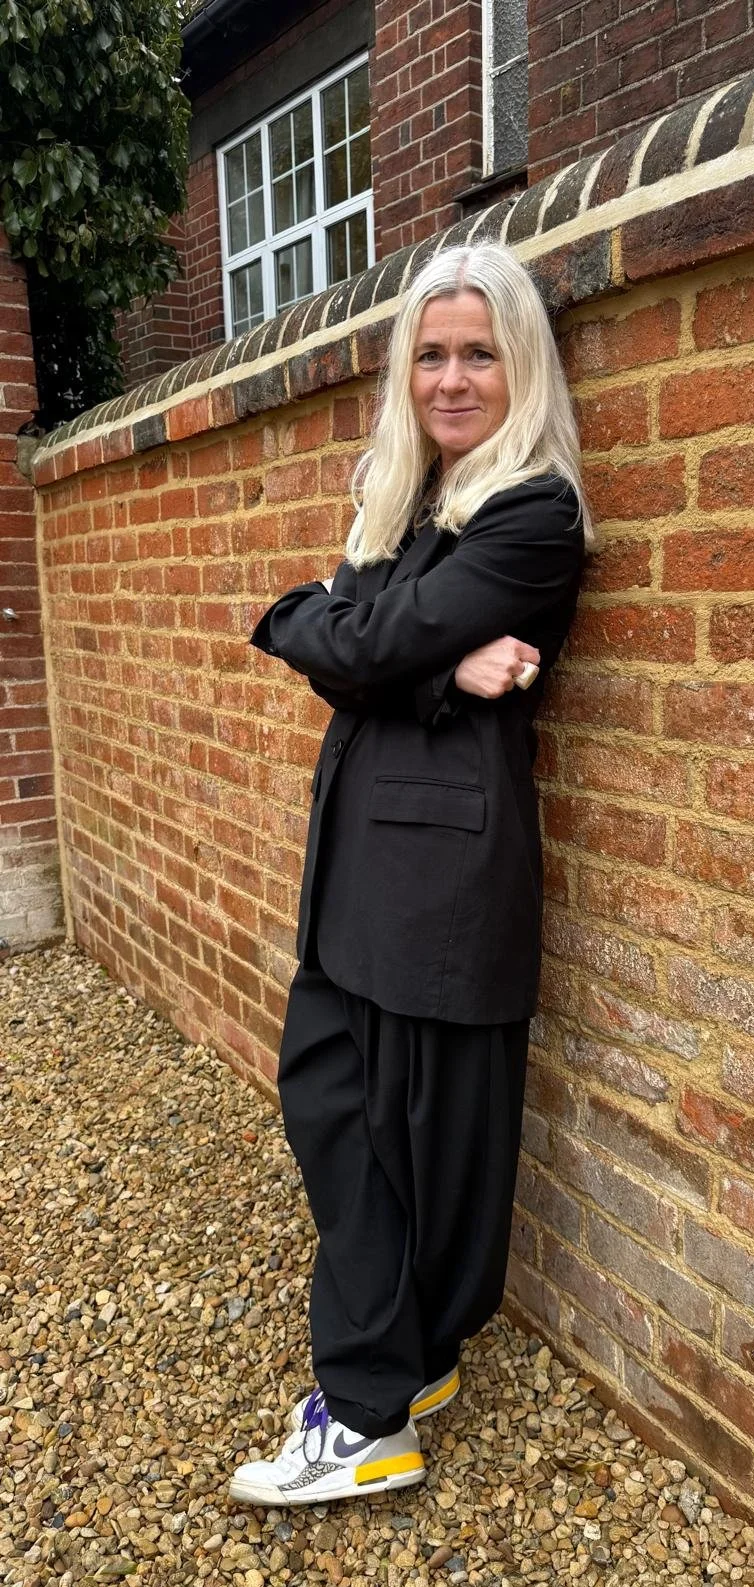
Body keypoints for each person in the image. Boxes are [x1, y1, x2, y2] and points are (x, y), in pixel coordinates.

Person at [229, 242, 594, 1509]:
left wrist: (336, 633)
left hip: (438, 889)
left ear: (520, 366)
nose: (451, 377)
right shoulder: (408, 504)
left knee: (406, 1139)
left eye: (477, 353)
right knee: (339, 1111)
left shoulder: (531, 513)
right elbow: (362, 648)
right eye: (431, 354)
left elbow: (358, 636)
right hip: (359, 881)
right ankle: (411, 1360)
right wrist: (433, 667)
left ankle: (369, 1410)